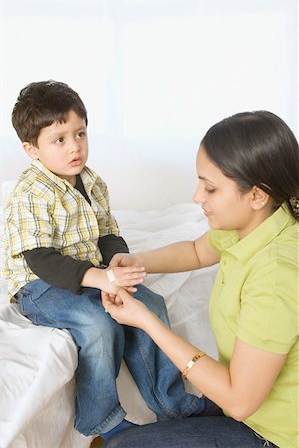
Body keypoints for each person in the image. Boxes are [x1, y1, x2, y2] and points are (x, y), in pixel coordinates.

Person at [2, 80, 203, 440]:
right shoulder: (31, 193)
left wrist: (117, 260)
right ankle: (101, 418)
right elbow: (40, 258)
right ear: (31, 149)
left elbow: (107, 233)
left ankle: (171, 403)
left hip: (93, 271)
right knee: (97, 323)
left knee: (149, 305)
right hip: (42, 284)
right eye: (59, 140)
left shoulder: (92, 182)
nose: (74, 147)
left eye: (80, 134)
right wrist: (97, 279)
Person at [102, 110, 299, 448]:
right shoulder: (257, 223)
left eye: (210, 189)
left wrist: (145, 320)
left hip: (276, 436)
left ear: (256, 195)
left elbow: (239, 402)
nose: (196, 198)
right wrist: (138, 262)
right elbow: (196, 251)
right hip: (247, 408)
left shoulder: (276, 276)